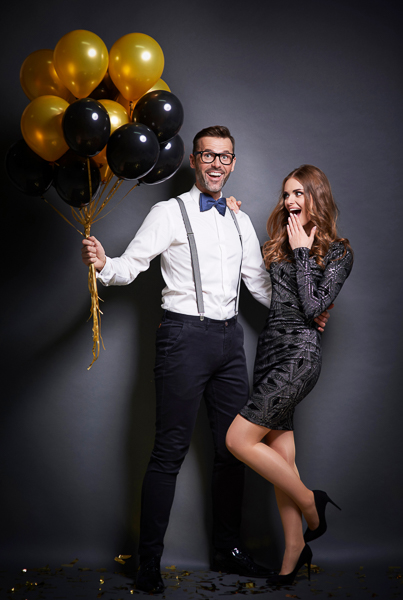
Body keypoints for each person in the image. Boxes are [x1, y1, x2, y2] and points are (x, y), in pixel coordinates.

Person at [81, 128, 330, 593]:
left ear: (233, 163)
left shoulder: (239, 220)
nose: (217, 164)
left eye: (225, 157)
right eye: (208, 156)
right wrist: (103, 263)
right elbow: (129, 267)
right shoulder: (167, 213)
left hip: (230, 342)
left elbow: (259, 286)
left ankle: (228, 550)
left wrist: (307, 309)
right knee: (168, 452)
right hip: (182, 337)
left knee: (230, 451)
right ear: (195, 161)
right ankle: (149, 562)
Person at [226, 164, 353, 586]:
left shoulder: (338, 251)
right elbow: (253, 279)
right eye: (285, 195)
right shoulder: (276, 245)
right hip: (268, 354)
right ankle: (294, 552)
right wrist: (234, 217)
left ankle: (311, 502)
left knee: (237, 440)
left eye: (298, 193)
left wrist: (303, 252)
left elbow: (315, 307)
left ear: (316, 196)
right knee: (282, 457)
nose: (289, 202)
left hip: (299, 357)